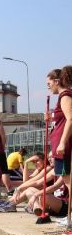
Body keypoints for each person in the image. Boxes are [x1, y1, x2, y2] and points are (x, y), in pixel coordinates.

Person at [46, 67, 72, 199]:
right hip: (59, 147)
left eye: (49, 84)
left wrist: (62, 143)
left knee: (68, 179)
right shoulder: (63, 97)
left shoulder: (65, 96)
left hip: (64, 147)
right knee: (66, 178)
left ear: (57, 81)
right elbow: (61, 122)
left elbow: (70, 118)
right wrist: (50, 118)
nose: (48, 87)